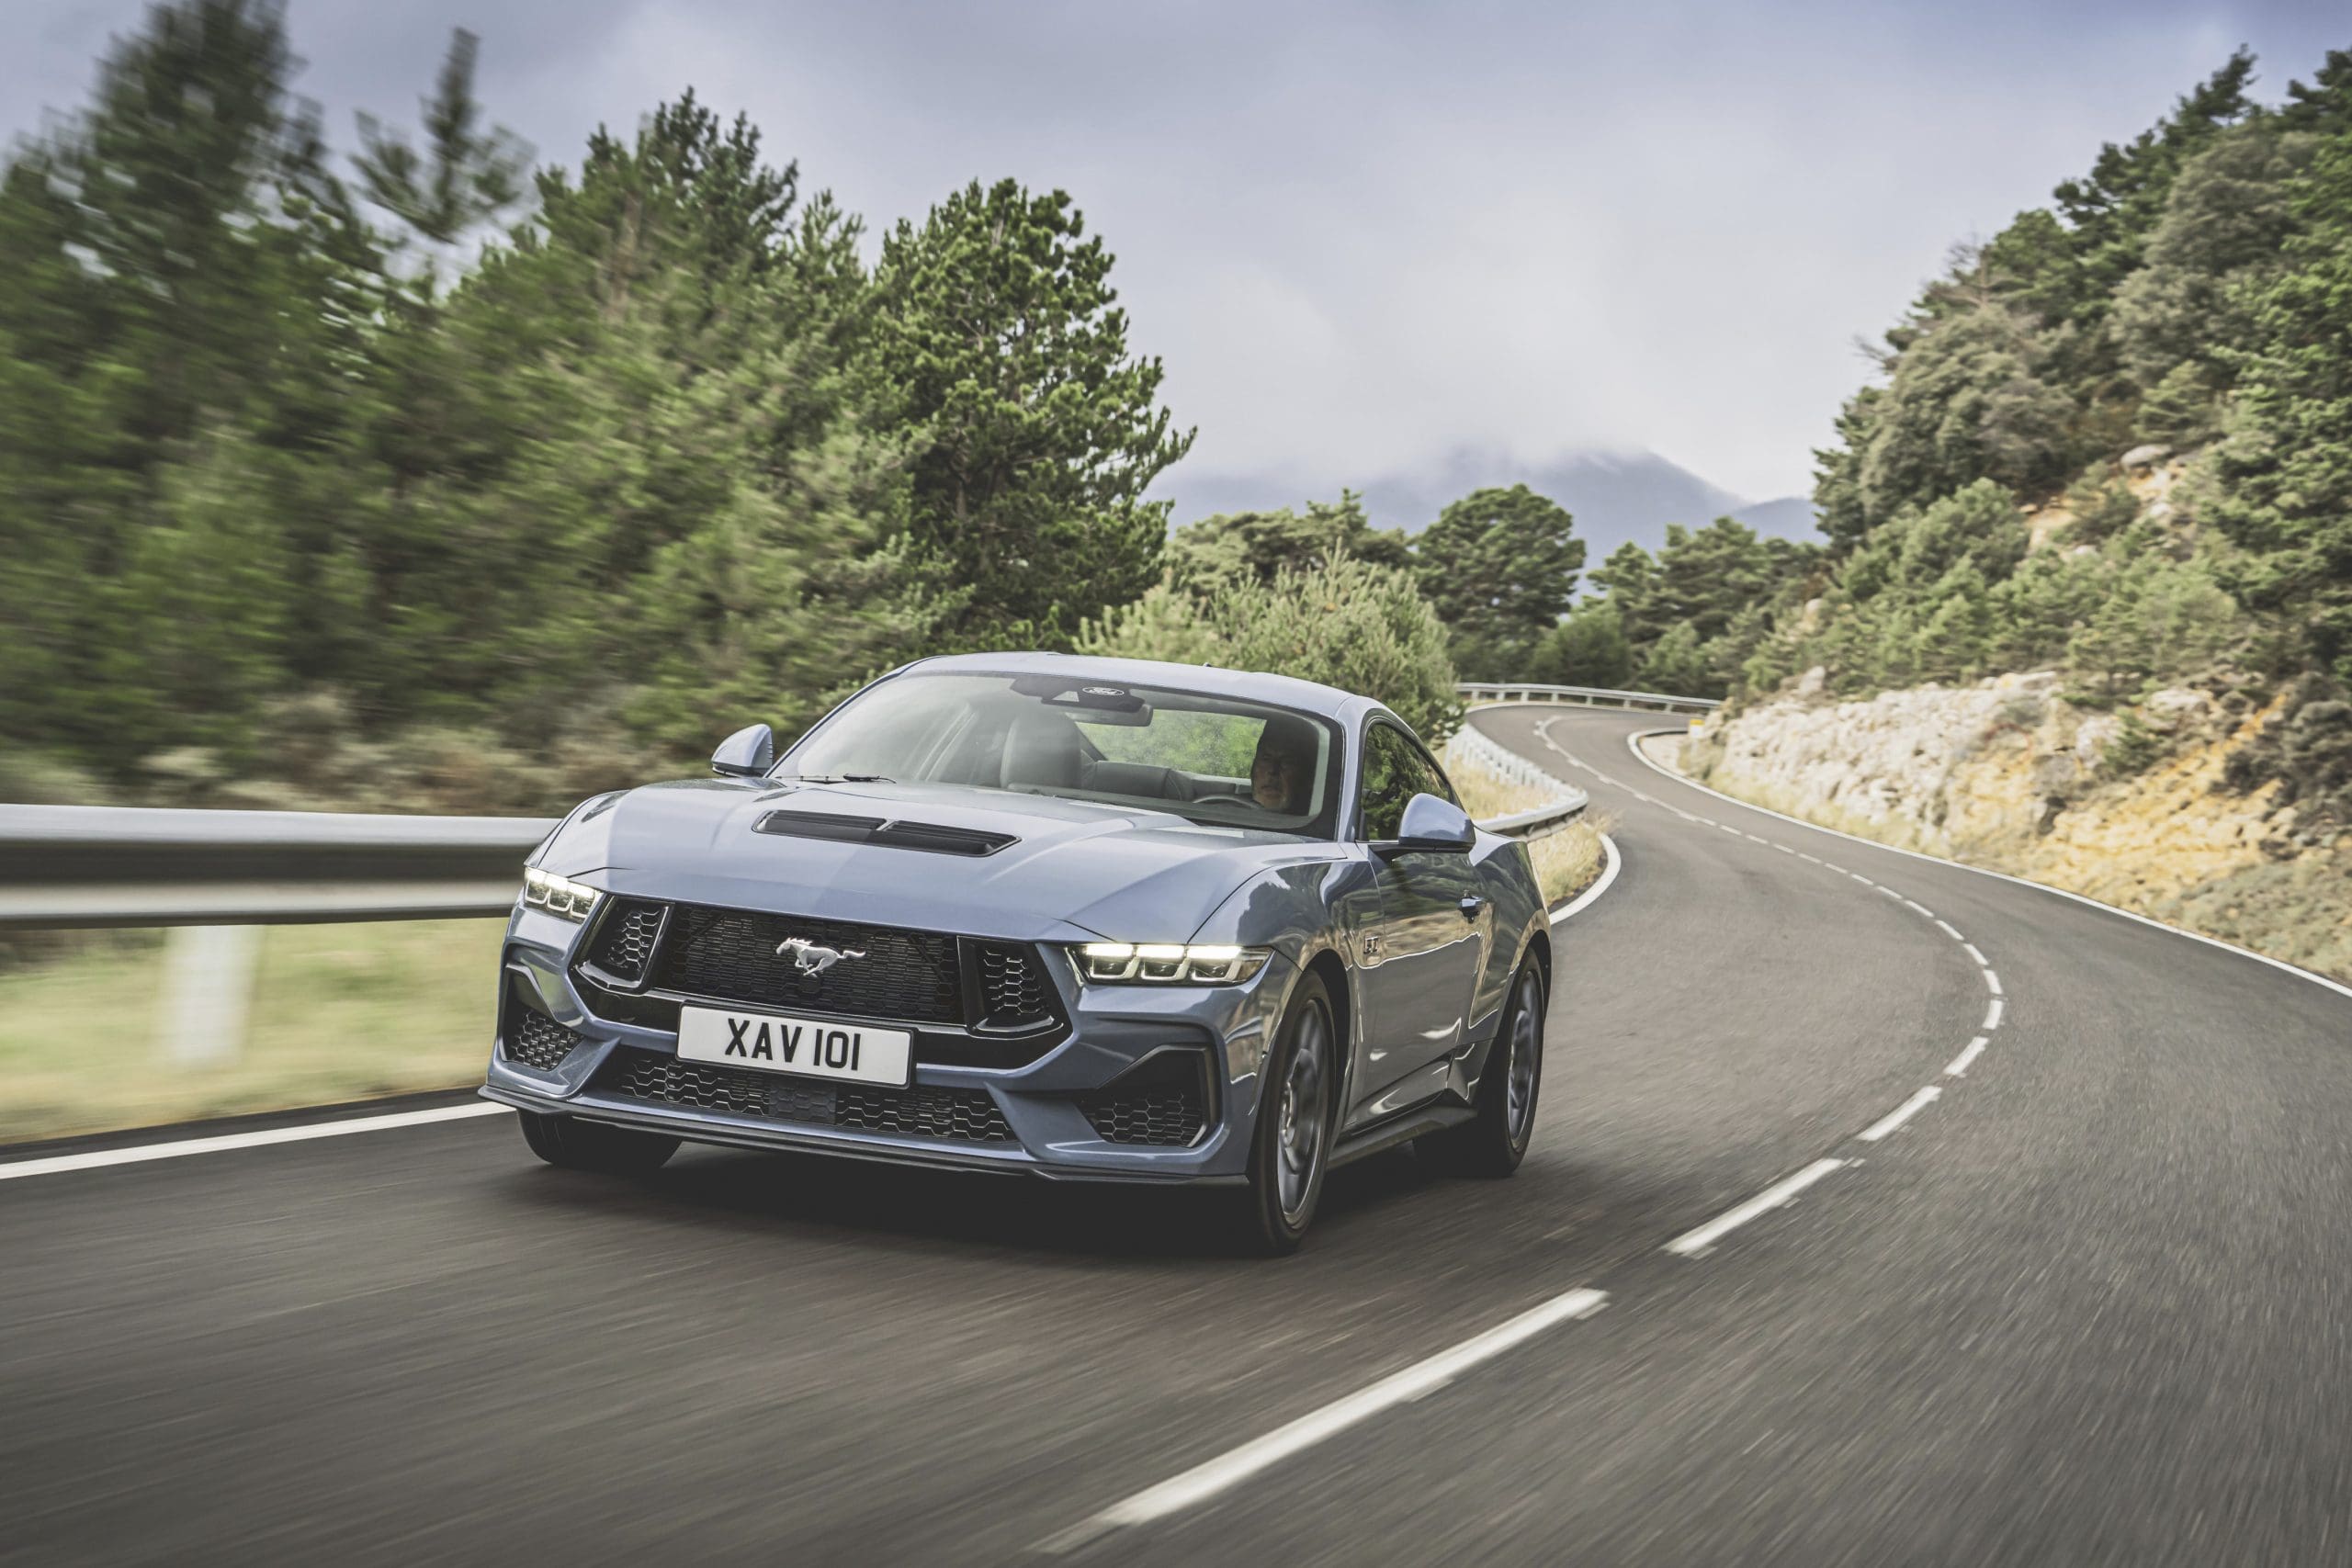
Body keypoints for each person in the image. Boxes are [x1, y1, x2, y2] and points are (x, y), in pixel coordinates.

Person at [1249, 716, 1317, 812]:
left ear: (1309, 777)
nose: (1272, 770)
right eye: (1266, 759)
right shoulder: (1228, 810)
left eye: (1287, 762)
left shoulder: (1317, 820)